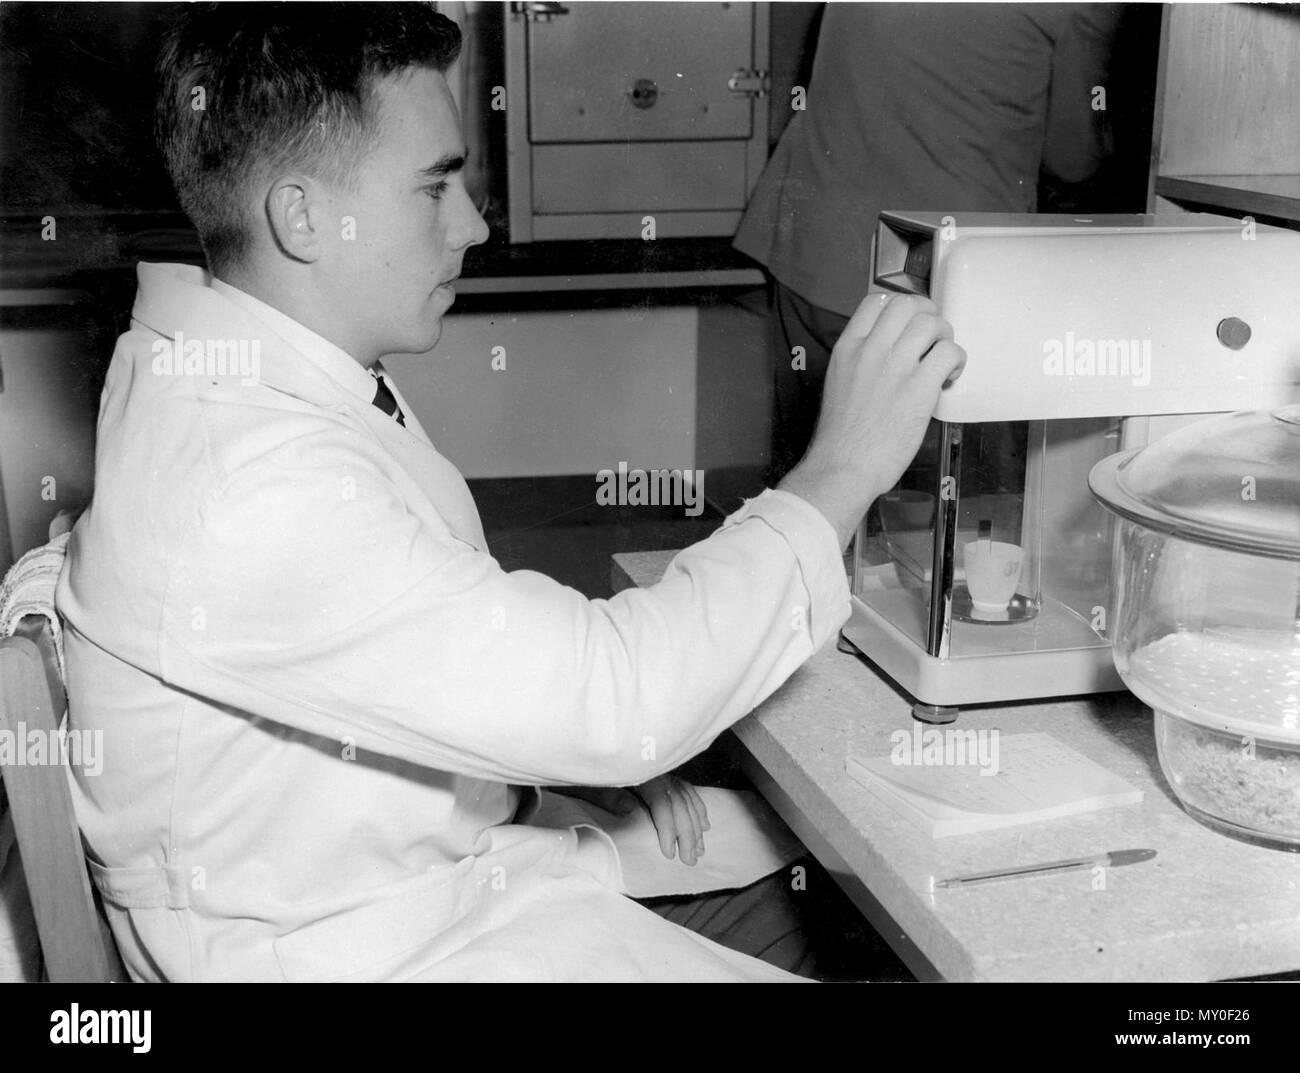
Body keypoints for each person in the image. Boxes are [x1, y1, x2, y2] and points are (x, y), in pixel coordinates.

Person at [55, 3, 964, 982]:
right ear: (302, 215)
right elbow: (614, 696)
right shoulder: (248, 482)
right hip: (384, 954)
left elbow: (441, 667)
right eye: (435, 185)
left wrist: (561, 787)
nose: (474, 223)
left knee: (837, 874)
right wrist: (842, 468)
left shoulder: (241, 371)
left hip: (436, 891)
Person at [735, 2, 1121, 481]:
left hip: (814, 243)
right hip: (936, 274)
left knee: (813, 488)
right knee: (941, 510)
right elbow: (1074, 156)